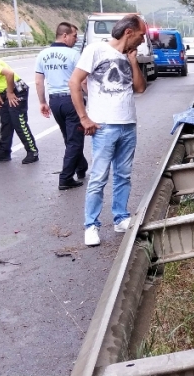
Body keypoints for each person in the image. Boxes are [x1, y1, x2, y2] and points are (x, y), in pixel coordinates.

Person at [69, 14, 147, 247]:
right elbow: (75, 82)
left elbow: (140, 88)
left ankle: (120, 218)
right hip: (104, 126)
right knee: (99, 177)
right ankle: (91, 226)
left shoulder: (129, 55)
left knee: (123, 175)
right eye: (141, 35)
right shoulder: (95, 50)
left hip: (128, 124)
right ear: (129, 32)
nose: (142, 40)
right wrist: (84, 117)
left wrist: (133, 62)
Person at [35, 22, 89, 190]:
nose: (76, 39)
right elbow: (83, 81)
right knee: (75, 140)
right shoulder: (73, 55)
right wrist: (90, 97)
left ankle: (81, 167)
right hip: (71, 100)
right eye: (74, 36)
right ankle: (65, 178)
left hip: (55, 101)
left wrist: (42, 102)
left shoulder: (42, 54)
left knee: (69, 137)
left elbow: (38, 82)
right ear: (64, 35)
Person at [0, 54, 39, 164]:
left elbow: (9, 74)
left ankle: (33, 152)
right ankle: (4, 153)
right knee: (6, 123)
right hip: (4, 92)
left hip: (16, 90)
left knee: (19, 123)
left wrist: (10, 92)